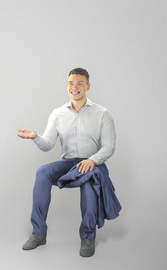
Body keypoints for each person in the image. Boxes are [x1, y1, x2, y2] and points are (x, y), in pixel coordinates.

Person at [18, 68, 120, 257]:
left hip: (93, 165)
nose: (75, 87)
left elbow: (109, 147)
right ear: (67, 86)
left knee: (90, 183)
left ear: (87, 86)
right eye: (71, 83)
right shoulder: (57, 113)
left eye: (80, 83)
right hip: (69, 164)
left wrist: (92, 160)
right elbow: (47, 145)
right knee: (42, 172)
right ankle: (38, 233)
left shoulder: (102, 114)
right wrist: (35, 137)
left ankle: (88, 237)